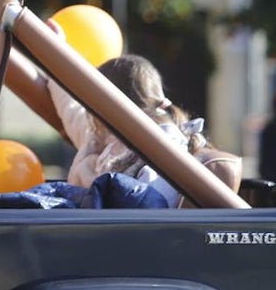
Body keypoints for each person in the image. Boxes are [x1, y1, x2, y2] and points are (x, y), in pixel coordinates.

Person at [48, 53, 208, 207]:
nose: (89, 117)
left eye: (92, 105)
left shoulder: (163, 148)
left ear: (106, 107)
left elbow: (149, 206)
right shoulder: (102, 139)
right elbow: (71, 110)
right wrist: (52, 54)